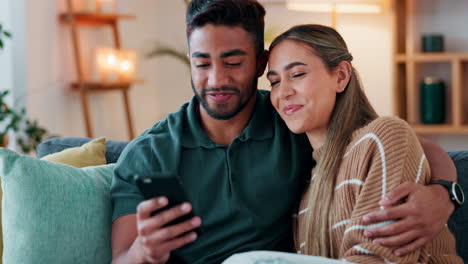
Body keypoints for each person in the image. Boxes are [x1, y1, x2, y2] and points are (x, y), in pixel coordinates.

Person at [110, 1, 460, 263]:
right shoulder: (149, 153)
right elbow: (121, 258)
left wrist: (444, 195)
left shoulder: (292, 117)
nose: (215, 80)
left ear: (260, 63)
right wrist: (144, 249)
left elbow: (398, 144)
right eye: (202, 63)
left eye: (233, 63)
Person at [224, 24, 463, 264]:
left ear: (340, 76)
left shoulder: (380, 138)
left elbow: (381, 259)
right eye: (274, 82)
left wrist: (445, 192)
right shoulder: (305, 187)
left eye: (297, 74)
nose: (282, 92)